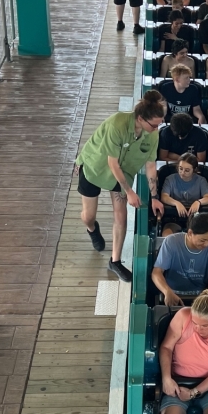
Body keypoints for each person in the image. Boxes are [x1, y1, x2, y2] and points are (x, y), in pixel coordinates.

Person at [76, 91, 165, 281]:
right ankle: (92, 229)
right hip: (96, 166)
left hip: (123, 171)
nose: (157, 128)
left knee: (120, 214)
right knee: (88, 216)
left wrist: (154, 197)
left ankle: (114, 261)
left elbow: (150, 165)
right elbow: (112, 163)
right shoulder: (117, 124)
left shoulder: (153, 134)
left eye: (160, 124)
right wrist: (130, 191)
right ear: (140, 118)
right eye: (154, 125)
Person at [152, 212, 208, 305]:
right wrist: (167, 291)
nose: (207, 244)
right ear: (190, 233)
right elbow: (156, 273)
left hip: (200, 296)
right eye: (202, 240)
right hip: (173, 293)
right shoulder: (171, 242)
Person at [161, 153, 208, 218]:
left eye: (187, 170)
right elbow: (164, 197)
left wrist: (198, 202)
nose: (182, 173)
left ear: (194, 170)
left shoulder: (201, 180)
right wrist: (176, 203)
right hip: (174, 217)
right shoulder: (170, 179)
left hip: (195, 218)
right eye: (180, 169)